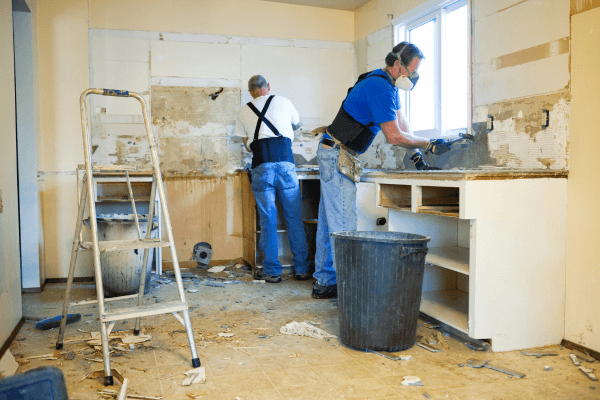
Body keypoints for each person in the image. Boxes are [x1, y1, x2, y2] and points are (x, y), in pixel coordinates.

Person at [312, 42, 452, 298]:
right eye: (412, 71)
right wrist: (429, 143)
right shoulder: (379, 87)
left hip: (334, 152)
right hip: (337, 154)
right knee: (344, 225)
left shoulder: (388, 86)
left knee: (328, 223)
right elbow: (394, 137)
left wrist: (418, 155)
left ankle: (325, 282)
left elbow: (402, 124)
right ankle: (350, 293)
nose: (414, 77)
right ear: (397, 65)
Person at [236, 75, 311, 283]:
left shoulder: (243, 111)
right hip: (286, 164)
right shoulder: (284, 101)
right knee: (294, 218)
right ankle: (302, 269)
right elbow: (297, 125)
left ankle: (271, 272)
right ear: (267, 87)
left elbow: (246, 145)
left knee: (267, 220)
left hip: (261, 166)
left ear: (250, 91)